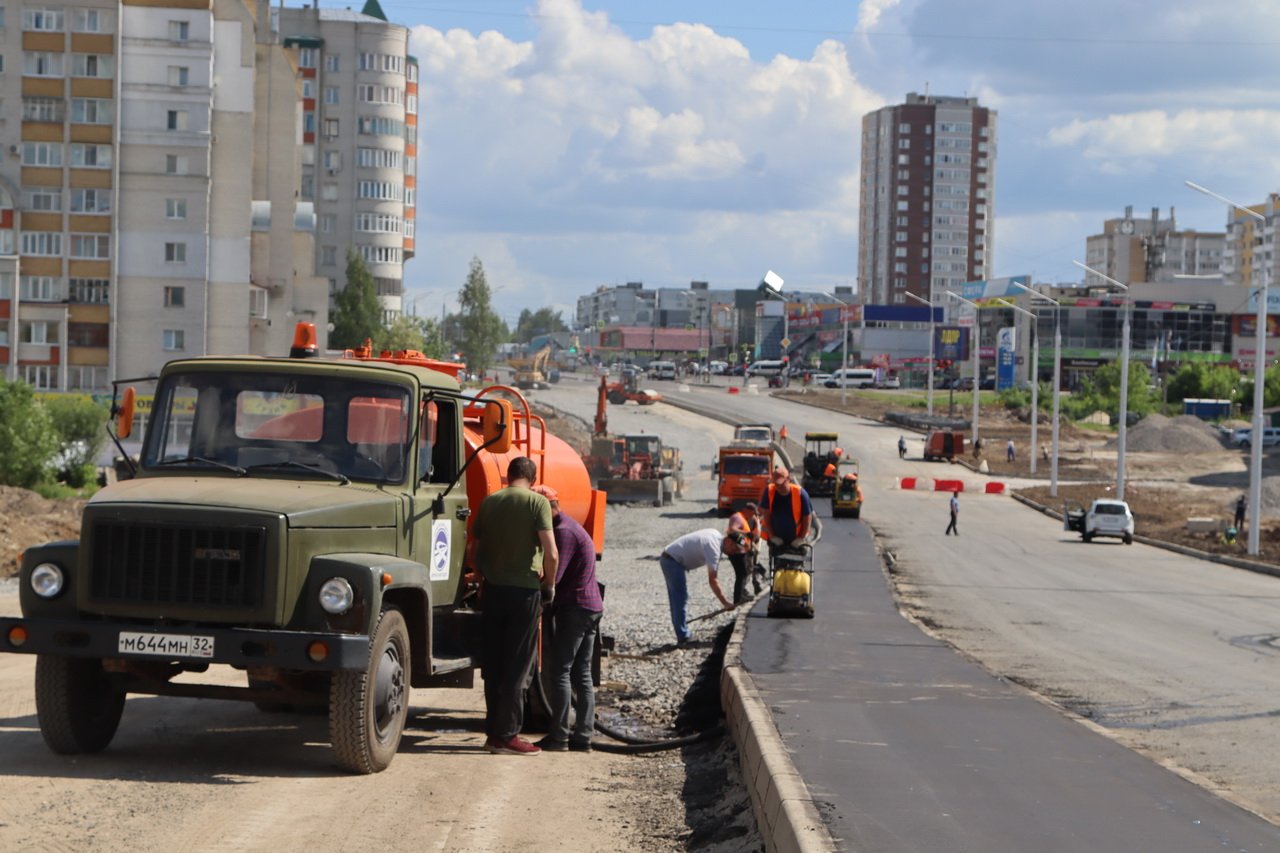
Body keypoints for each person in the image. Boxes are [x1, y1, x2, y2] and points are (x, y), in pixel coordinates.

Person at [470, 456, 558, 756]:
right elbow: (552, 552)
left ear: (508, 476)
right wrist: (549, 586)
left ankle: (493, 734)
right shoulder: (538, 504)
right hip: (524, 593)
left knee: (494, 665)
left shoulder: (490, 501)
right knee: (519, 667)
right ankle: (508, 736)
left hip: (492, 591)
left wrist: (482, 577)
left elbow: (474, 549)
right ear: (532, 478)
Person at [531, 485, 603, 754]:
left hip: (576, 608)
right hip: (590, 606)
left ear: (547, 507)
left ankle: (559, 736)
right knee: (581, 673)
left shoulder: (562, 532)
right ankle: (583, 736)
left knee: (560, 670)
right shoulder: (570, 526)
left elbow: (554, 576)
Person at [658, 528, 734, 643]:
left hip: (669, 557)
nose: (734, 552)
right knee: (680, 598)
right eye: (735, 548)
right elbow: (713, 580)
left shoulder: (715, 534)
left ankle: (681, 631)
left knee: (677, 598)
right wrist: (725, 603)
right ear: (728, 541)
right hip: (672, 561)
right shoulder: (714, 549)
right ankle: (683, 636)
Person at [759, 465, 813, 550]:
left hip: (795, 539)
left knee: (795, 561)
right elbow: (767, 515)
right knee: (776, 561)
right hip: (777, 539)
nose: (778, 487)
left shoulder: (800, 494)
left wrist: (801, 538)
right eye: (776, 484)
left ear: (788, 479)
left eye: (781, 484)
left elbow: (807, 517)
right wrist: (772, 536)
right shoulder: (769, 491)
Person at [725, 503, 762, 604]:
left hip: (741, 551)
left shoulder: (743, 518)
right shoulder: (737, 517)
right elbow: (732, 530)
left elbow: (745, 538)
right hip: (735, 551)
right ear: (747, 510)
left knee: (743, 573)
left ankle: (740, 597)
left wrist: (752, 548)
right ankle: (738, 599)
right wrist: (746, 533)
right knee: (741, 574)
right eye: (752, 513)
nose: (752, 516)